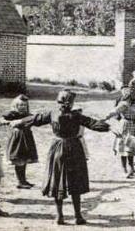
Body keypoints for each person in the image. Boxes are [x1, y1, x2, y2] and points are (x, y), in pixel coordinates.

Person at [29, 90, 110, 225]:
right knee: (75, 182)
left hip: (57, 148)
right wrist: (109, 127)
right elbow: (92, 123)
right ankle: (78, 216)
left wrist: (17, 121)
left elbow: (35, 119)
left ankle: (59, 216)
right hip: (74, 148)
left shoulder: (51, 114)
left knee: (57, 181)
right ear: (71, 103)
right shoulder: (76, 116)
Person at [2, 94, 39, 189]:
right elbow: (5, 116)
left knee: (24, 159)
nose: (22, 107)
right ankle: (20, 181)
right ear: (16, 106)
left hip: (27, 138)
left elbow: (35, 119)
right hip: (18, 138)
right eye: (20, 105)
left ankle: (23, 180)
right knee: (19, 160)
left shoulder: (28, 115)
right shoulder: (13, 115)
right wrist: (14, 112)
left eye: (24, 105)